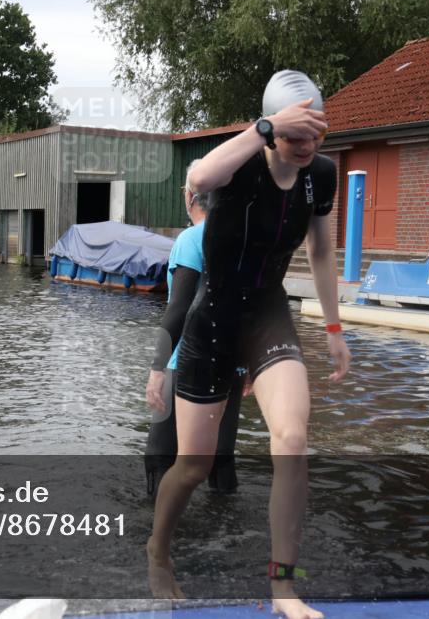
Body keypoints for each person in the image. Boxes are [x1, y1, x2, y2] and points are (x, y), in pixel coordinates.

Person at [147, 70, 351, 619]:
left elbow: (323, 254)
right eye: (295, 135)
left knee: (292, 440)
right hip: (212, 319)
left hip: (266, 314)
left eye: (316, 134)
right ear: (275, 129)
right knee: (194, 464)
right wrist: (263, 128)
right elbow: (197, 173)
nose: (306, 147)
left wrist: (334, 329)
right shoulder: (239, 167)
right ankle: (158, 551)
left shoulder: (322, 178)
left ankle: (284, 586)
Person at [144, 161, 246, 498]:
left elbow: (179, 308)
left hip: (187, 362)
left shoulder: (191, 239)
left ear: (190, 196)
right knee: (220, 455)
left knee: (160, 454)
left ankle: (159, 532)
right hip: (232, 363)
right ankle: (227, 528)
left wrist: (157, 367)